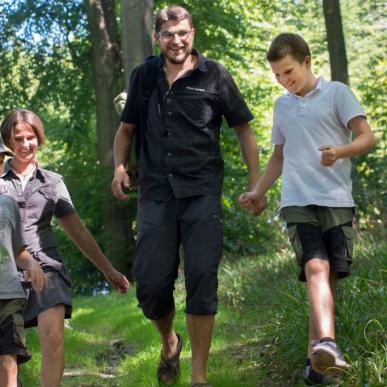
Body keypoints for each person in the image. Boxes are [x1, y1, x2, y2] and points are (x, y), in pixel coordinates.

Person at [111, 5, 265, 386]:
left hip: (202, 193)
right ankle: (169, 342)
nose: (176, 40)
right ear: (157, 37)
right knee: (150, 285)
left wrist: (256, 183)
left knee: (201, 277)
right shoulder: (144, 76)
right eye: (168, 34)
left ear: (193, 33)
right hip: (156, 194)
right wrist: (119, 167)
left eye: (182, 33)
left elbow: (244, 129)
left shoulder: (215, 76)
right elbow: (126, 129)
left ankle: (198, 376)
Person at [239, 33, 376, 384]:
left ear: (307, 61)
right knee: (315, 267)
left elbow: (367, 137)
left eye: (288, 72)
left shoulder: (337, 93)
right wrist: (258, 190)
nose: (284, 81)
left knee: (328, 278)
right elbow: (279, 156)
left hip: (336, 199)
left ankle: (316, 366)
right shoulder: (282, 106)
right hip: (297, 200)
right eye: (277, 76)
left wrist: (338, 153)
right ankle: (328, 343)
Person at [0, 109, 130, 387]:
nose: (25, 144)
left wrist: (108, 270)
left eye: (30, 137)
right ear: (8, 142)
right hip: (5, 273)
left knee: (54, 336)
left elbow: (77, 230)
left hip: (47, 267)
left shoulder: (53, 182)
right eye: (18, 138)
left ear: (39, 138)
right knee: (7, 357)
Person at [0, 158, 47, 387]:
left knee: (8, 358)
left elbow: (18, 250)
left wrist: (32, 264)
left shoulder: (8, 204)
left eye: (0, 160)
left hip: (8, 294)